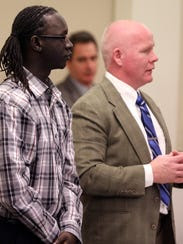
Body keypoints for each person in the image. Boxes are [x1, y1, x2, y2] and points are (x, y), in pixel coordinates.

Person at [72, 20, 183, 244]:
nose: (155, 57)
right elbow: (88, 175)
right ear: (119, 56)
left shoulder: (148, 103)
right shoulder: (90, 107)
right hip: (118, 236)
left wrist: (176, 169)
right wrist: (151, 172)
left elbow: (154, 164)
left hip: (160, 233)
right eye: (146, 50)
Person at [0, 5, 82, 244]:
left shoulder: (57, 101)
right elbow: (13, 192)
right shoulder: (9, 101)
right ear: (36, 43)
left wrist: (71, 226)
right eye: (61, 37)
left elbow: (70, 177)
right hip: (17, 233)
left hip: (57, 232)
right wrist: (54, 234)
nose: (69, 44)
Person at [57, 31, 98, 107]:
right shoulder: (58, 97)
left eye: (93, 58)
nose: (89, 66)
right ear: (68, 62)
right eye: (82, 60)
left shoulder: (101, 93)